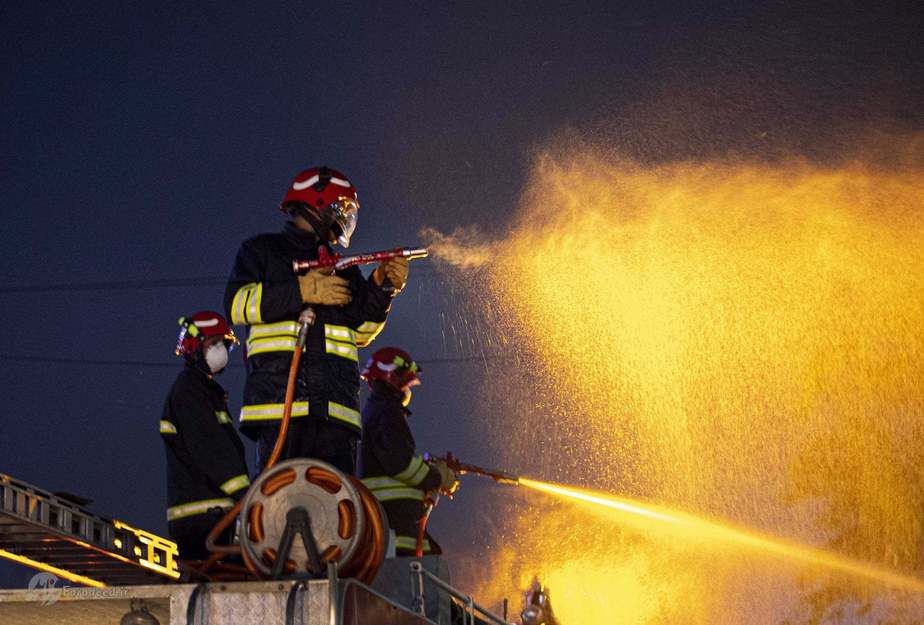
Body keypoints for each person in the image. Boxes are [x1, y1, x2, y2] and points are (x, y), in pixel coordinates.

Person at [225, 166, 407, 474]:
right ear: (319, 202)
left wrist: (382, 286)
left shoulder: (343, 268)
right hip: (279, 409)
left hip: (336, 414)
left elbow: (363, 331)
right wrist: (303, 290)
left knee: (337, 511)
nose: (345, 217)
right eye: (342, 207)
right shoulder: (263, 252)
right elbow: (237, 305)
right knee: (276, 507)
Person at [160, 311, 250, 560]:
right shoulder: (190, 392)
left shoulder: (204, 390)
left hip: (211, 517)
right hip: (201, 519)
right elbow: (212, 449)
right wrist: (248, 496)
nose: (221, 350)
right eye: (214, 344)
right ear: (194, 347)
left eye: (224, 344)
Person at [359, 347, 459, 555]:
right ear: (393, 379)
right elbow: (401, 464)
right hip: (395, 528)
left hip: (390, 526)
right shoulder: (387, 412)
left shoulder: (375, 412)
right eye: (406, 382)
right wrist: (437, 476)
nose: (408, 389)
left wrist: (431, 472)